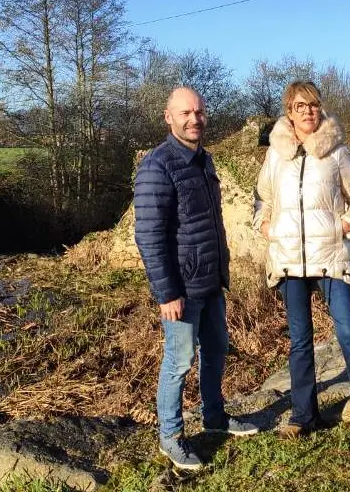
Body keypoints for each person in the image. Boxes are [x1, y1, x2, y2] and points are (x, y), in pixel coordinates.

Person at [253, 81, 350, 451]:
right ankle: (303, 416)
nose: (308, 112)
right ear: (289, 111)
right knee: (299, 342)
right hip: (289, 260)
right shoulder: (275, 155)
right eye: (301, 106)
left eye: (313, 105)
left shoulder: (336, 150)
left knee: (349, 335)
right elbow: (262, 198)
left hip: (331, 256)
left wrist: (348, 224)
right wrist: (266, 226)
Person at [134, 86, 258, 470]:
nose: (194, 119)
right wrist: (167, 292)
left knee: (217, 350)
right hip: (182, 291)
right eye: (185, 113)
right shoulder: (158, 165)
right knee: (178, 361)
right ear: (168, 117)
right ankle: (170, 437)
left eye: (199, 112)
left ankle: (215, 417)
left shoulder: (203, 160)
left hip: (209, 283)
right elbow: (149, 235)